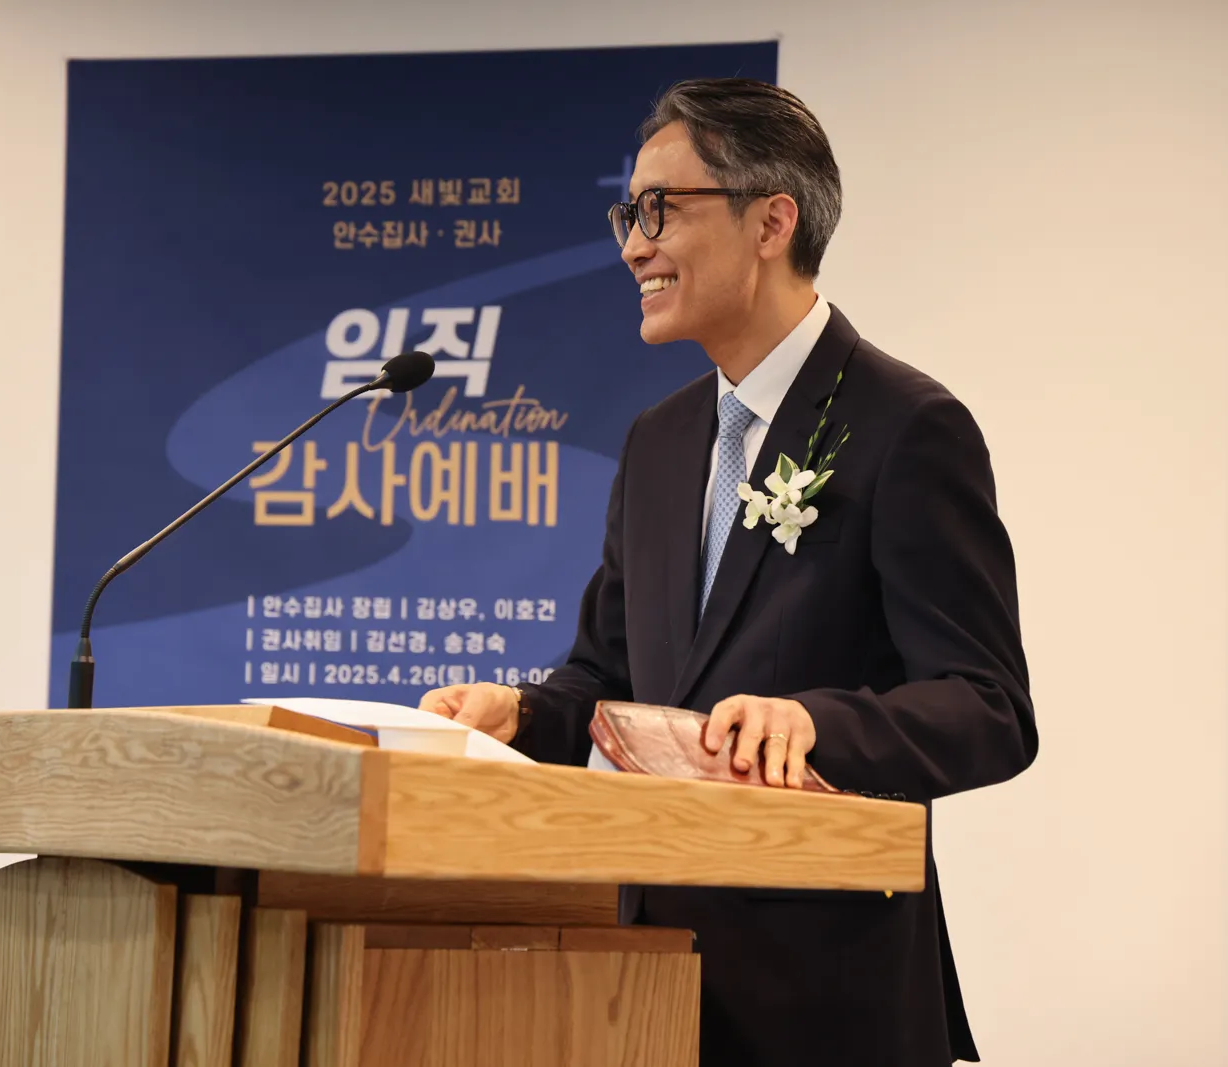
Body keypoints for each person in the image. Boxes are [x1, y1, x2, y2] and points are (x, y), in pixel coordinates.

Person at [420, 78, 1036, 1067]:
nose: (634, 246)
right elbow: (610, 682)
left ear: (771, 222)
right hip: (643, 984)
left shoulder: (906, 426)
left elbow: (988, 707)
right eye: (629, 214)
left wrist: (816, 725)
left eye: (661, 209)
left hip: (829, 1000)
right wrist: (522, 714)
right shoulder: (658, 443)